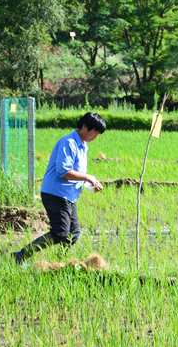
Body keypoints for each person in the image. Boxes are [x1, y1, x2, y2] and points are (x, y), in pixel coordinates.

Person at [12, 112, 107, 265]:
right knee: (60, 233)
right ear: (84, 126)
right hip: (55, 194)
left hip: (68, 196)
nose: (95, 137)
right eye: (94, 132)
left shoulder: (83, 146)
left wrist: (90, 185)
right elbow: (63, 172)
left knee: (73, 234)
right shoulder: (68, 142)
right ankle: (20, 255)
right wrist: (88, 177)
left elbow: (78, 173)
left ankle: (63, 263)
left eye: (98, 134)